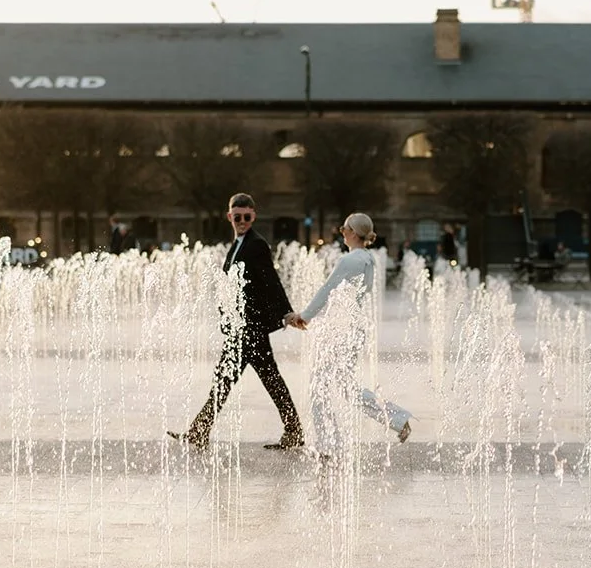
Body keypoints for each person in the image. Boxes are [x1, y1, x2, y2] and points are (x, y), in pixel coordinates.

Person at [170, 193, 305, 450]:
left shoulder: (256, 244)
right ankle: (293, 430)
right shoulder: (238, 244)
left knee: (236, 378)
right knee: (251, 378)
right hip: (241, 326)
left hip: (250, 327)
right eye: (237, 217)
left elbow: (271, 282)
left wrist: (286, 312)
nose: (242, 221)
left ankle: (201, 431)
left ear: (253, 217)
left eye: (247, 217)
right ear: (229, 216)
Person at [284, 212, 412, 454]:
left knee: (319, 387)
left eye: (344, 229)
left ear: (353, 232)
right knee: (346, 388)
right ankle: (396, 419)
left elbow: (326, 291)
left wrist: (303, 316)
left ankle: (327, 445)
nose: (341, 232)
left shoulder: (350, 261)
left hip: (340, 331)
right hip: (351, 329)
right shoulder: (368, 259)